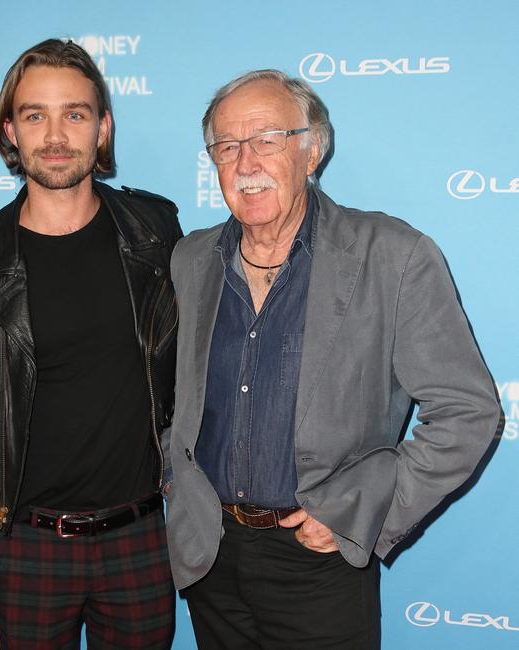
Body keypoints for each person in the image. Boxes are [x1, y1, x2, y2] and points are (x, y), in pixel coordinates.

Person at [162, 69, 500, 649]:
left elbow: (468, 410)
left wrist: (357, 511)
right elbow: (175, 394)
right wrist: (175, 473)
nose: (245, 162)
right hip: (209, 555)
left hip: (318, 557)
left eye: (266, 139)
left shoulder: (393, 255)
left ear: (312, 150)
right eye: (226, 146)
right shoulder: (191, 258)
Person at [0, 39, 181, 649]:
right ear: (10, 130)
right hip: (30, 543)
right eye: (35, 115)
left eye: (75, 113)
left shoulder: (156, 233)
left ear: (103, 128)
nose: (56, 134)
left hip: (142, 536)